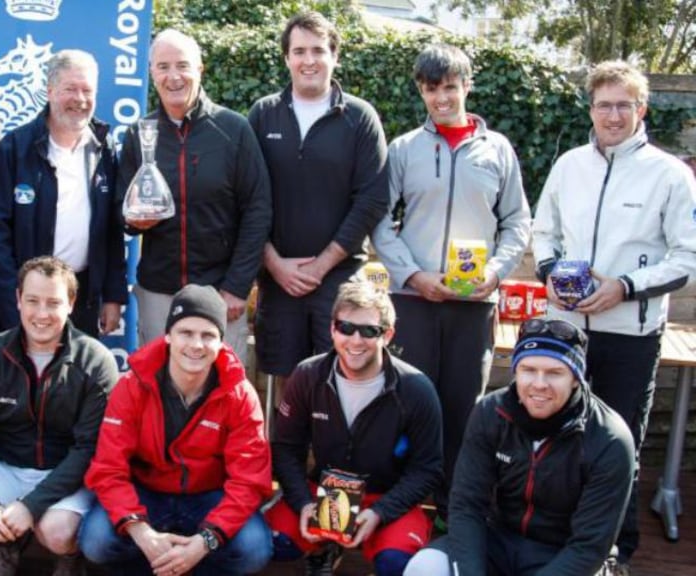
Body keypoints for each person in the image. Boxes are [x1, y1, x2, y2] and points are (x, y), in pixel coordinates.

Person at [532, 60, 696, 571]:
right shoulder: (569, 165)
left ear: (641, 108)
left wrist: (623, 288)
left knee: (618, 443)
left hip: (630, 334)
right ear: (592, 108)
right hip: (566, 332)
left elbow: (687, 258)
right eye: (604, 104)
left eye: (624, 104)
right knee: (561, 437)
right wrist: (553, 273)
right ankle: (558, 537)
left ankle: (614, 551)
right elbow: (544, 232)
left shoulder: (670, 175)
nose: (613, 114)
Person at [370, 44, 531, 513]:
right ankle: (403, 504)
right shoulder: (403, 149)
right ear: (422, 90)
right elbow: (380, 222)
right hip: (415, 300)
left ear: (467, 86)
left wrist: (497, 273)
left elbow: (518, 221)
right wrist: (414, 275)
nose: (442, 98)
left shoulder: (498, 149)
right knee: (410, 403)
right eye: (431, 88)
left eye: (450, 87)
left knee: (463, 408)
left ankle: (453, 508)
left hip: (473, 303)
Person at [0, 256, 118, 576]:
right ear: (18, 300)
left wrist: (31, 506)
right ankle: (7, 545)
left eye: (53, 302)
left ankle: (68, 557)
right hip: (6, 463)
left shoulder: (96, 361)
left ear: (71, 303)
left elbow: (90, 449)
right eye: (32, 301)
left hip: (65, 472)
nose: (41, 314)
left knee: (58, 532)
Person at [404, 318, 636, 576]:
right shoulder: (490, 412)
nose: (539, 384)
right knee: (424, 568)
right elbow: (467, 505)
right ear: (515, 371)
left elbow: (590, 546)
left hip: (564, 553)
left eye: (554, 373)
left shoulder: (610, 439)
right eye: (528, 369)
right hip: (500, 540)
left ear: (575, 379)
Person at [79, 285, 273, 575]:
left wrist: (204, 542)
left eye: (208, 335)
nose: (196, 344)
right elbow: (109, 468)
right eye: (186, 333)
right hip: (147, 494)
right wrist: (141, 531)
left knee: (254, 548)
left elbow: (249, 481)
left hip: (209, 497)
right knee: (96, 541)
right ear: (168, 335)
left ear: (221, 341)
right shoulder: (132, 385)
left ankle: (186, 563)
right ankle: (157, 564)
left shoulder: (239, 394)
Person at [264, 279, 441, 575]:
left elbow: (428, 468)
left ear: (388, 334)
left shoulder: (415, 388)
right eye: (346, 327)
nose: (355, 340)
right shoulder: (308, 375)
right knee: (271, 545)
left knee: (398, 565)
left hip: (385, 496)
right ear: (332, 328)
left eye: (369, 331)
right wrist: (303, 503)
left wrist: (380, 513)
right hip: (322, 492)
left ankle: (367, 549)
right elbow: (285, 449)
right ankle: (323, 550)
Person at [247, 11, 389, 382]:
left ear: (334, 56)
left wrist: (321, 265)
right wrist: (275, 264)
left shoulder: (360, 118)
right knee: (283, 390)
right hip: (278, 283)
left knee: (338, 384)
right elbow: (245, 197)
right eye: (299, 51)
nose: (309, 60)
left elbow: (372, 200)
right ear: (286, 58)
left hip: (339, 281)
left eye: (318, 50)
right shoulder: (263, 115)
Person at [120, 29, 271, 360]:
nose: (173, 76)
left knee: (220, 395)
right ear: (151, 73)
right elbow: (123, 212)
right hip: (158, 293)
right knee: (158, 393)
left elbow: (258, 210)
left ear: (200, 69)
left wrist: (237, 286)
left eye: (182, 65)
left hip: (220, 293)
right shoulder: (139, 134)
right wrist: (133, 221)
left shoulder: (233, 129)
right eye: (162, 67)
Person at [0, 49, 126, 339]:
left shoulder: (105, 149)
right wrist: (16, 304)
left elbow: (112, 230)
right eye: (70, 89)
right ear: (49, 91)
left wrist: (112, 296)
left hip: (82, 298)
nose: (80, 99)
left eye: (87, 90)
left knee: (75, 381)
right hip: (28, 298)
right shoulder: (13, 149)